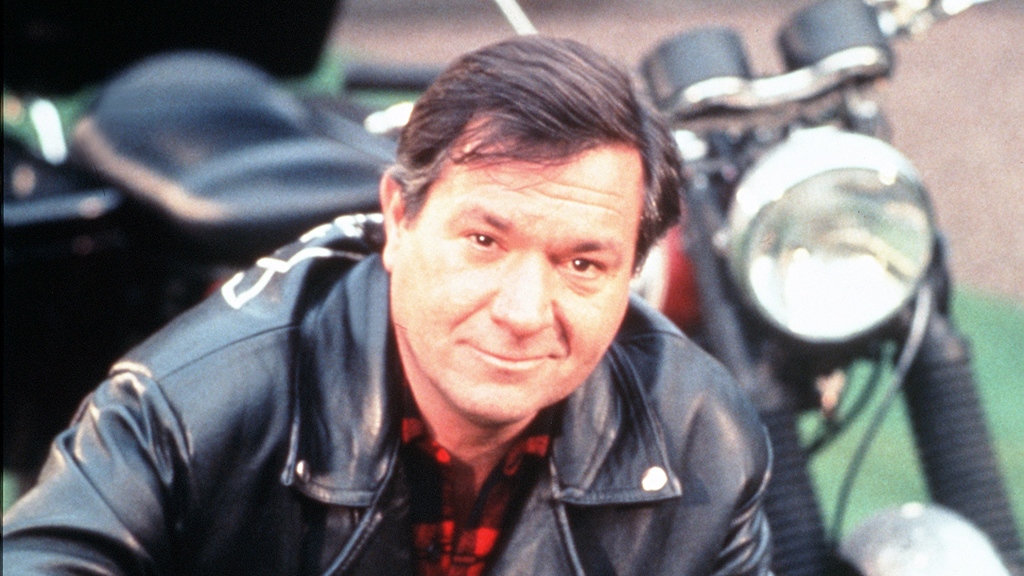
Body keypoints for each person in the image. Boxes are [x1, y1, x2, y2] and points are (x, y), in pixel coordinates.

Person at [3, 36, 772, 575]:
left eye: (582, 264)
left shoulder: (699, 431)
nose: (524, 311)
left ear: (630, 271)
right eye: (484, 241)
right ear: (398, 220)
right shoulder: (193, 406)